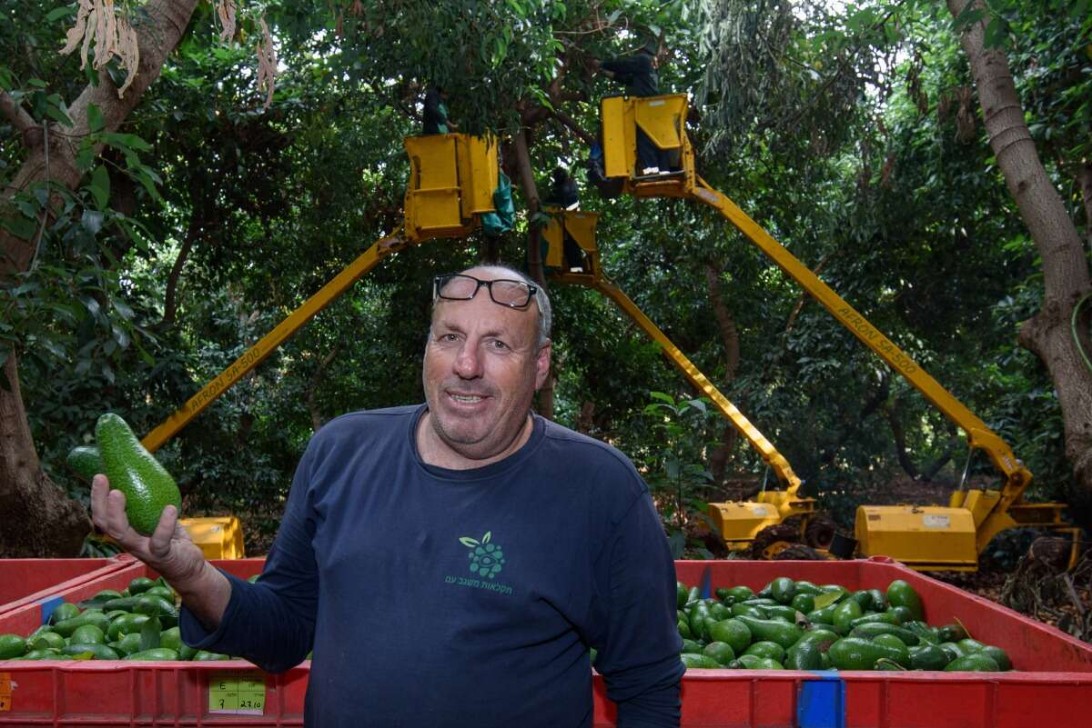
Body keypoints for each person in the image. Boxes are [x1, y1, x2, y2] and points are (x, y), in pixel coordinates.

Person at [91, 264, 684, 727]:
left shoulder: (601, 490)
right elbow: (284, 632)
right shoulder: (339, 453)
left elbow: (648, 689)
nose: (467, 364)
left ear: (540, 365)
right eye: (450, 337)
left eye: (499, 345)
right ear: (427, 348)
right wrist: (186, 570)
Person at [593, 44, 666, 175]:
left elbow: (623, 66)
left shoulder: (643, 59)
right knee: (650, 137)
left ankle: (650, 170)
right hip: (651, 106)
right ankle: (658, 169)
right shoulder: (651, 67)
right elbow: (629, 80)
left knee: (643, 139)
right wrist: (606, 73)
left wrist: (602, 64)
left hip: (644, 105)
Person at [543, 167, 587, 272]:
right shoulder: (566, 184)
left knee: (570, 244)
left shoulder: (567, 186)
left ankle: (576, 269)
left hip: (569, 218)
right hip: (568, 219)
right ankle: (571, 267)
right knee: (569, 244)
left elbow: (560, 199)